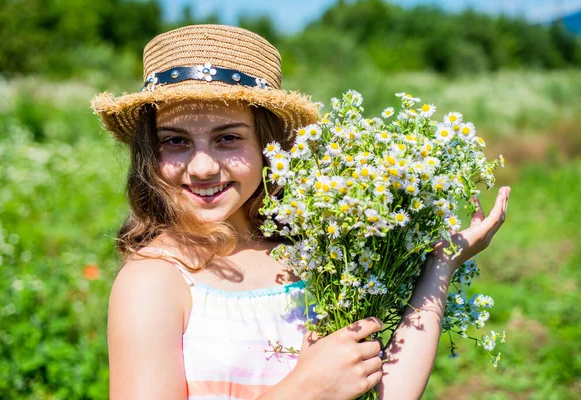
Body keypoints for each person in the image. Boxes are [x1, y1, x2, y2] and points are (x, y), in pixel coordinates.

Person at [91, 24, 511, 400]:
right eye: (176, 142)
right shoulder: (155, 281)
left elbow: (385, 391)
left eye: (228, 139)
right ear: (150, 152)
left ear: (267, 145)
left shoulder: (316, 250)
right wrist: (304, 389)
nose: (202, 166)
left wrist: (441, 263)